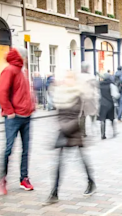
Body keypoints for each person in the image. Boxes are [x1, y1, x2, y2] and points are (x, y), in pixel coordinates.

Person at [44, 71, 96, 205]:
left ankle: (91, 182)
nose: (67, 80)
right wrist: (61, 128)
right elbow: (59, 114)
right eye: (65, 78)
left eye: (70, 78)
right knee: (59, 163)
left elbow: (77, 116)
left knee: (82, 160)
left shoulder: (78, 94)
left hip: (74, 130)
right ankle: (54, 192)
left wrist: (64, 128)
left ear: (74, 80)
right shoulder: (61, 94)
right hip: (64, 130)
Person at [0, 47, 35, 195]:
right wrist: (9, 111)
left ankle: (24, 178)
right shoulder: (10, 70)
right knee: (8, 148)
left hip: (26, 116)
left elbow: (25, 92)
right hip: (14, 117)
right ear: (22, 57)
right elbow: (1, 92)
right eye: (25, 58)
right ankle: (2, 179)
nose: (26, 60)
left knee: (26, 149)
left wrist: (32, 105)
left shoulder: (23, 71)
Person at [79, 62, 99, 137]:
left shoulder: (78, 77)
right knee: (92, 115)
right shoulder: (92, 77)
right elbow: (96, 89)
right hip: (90, 98)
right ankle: (94, 129)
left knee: (82, 116)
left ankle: (83, 132)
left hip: (81, 98)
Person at [98, 73, 116, 140]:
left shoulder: (100, 85)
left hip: (102, 104)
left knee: (102, 119)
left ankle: (103, 134)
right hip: (110, 103)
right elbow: (115, 94)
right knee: (112, 118)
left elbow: (97, 94)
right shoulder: (111, 85)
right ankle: (114, 131)